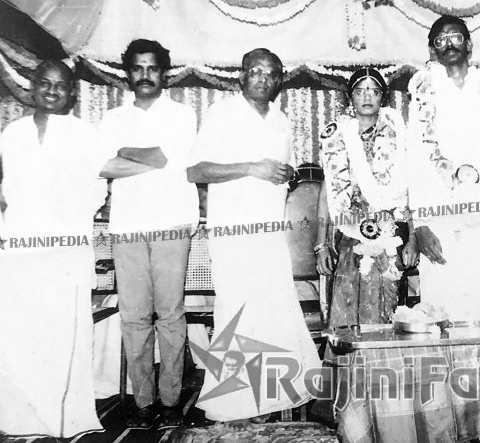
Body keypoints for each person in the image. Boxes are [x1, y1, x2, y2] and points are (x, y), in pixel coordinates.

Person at [187, 48, 321, 423]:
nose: (264, 79)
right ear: (242, 76)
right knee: (239, 312)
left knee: (272, 310)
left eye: (272, 74)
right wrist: (252, 167)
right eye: (256, 72)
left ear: (280, 81)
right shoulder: (222, 113)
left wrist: (286, 172)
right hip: (233, 232)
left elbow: (280, 171)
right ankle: (234, 404)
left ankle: (271, 398)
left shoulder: (280, 120)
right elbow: (196, 170)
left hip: (269, 231)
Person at [0, 60, 107, 437]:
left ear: (72, 93)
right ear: (31, 87)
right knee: (20, 333)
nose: (51, 90)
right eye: (44, 83)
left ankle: (63, 418)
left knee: (62, 335)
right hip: (18, 249)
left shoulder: (85, 134)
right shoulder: (12, 133)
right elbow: (7, 190)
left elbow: (97, 191)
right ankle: (21, 418)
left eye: (60, 86)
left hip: (64, 248)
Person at [98, 39, 199, 429]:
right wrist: (150, 158)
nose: (144, 75)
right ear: (128, 72)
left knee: (171, 315)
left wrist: (127, 152)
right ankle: (143, 401)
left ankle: (171, 399)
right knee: (135, 316)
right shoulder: (112, 119)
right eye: (137, 68)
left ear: (164, 73)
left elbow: (167, 157)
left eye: (152, 68)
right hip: (126, 226)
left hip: (172, 222)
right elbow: (105, 166)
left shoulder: (182, 114)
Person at [406, 15, 480, 323]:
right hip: (438, 216)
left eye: (456, 37)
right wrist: (419, 224)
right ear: (432, 51)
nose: (449, 44)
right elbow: (415, 158)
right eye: (440, 41)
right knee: (442, 302)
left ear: (469, 45)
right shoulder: (421, 89)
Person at [316, 68, 415, 329]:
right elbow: (328, 192)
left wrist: (413, 239)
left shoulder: (398, 133)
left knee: (385, 308)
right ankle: (348, 368)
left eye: (374, 90)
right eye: (360, 91)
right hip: (349, 234)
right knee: (346, 306)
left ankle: (382, 367)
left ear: (383, 97)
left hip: (391, 232)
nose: (367, 96)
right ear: (350, 97)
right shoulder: (338, 136)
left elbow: (411, 190)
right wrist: (321, 245)